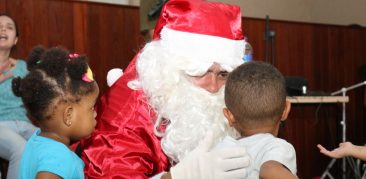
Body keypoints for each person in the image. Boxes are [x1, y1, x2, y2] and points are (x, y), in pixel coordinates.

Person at [80, 0, 250, 178]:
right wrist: (177, 176)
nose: (213, 87)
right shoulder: (128, 115)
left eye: (223, 74)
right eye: (200, 72)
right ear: (169, 69)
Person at [14, 46, 99, 179]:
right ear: (68, 115)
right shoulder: (57, 160)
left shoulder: (37, 140)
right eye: (92, 108)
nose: (95, 114)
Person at [215, 61, 298, 178]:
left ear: (229, 116)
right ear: (285, 110)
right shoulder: (275, 147)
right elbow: (270, 170)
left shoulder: (221, 149)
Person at [0, 13, 38, 179]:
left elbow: (39, 94)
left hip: (25, 124)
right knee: (21, 149)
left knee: (56, 145)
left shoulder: (22, 66)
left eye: (9, 27)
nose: (3, 29)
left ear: (15, 39)